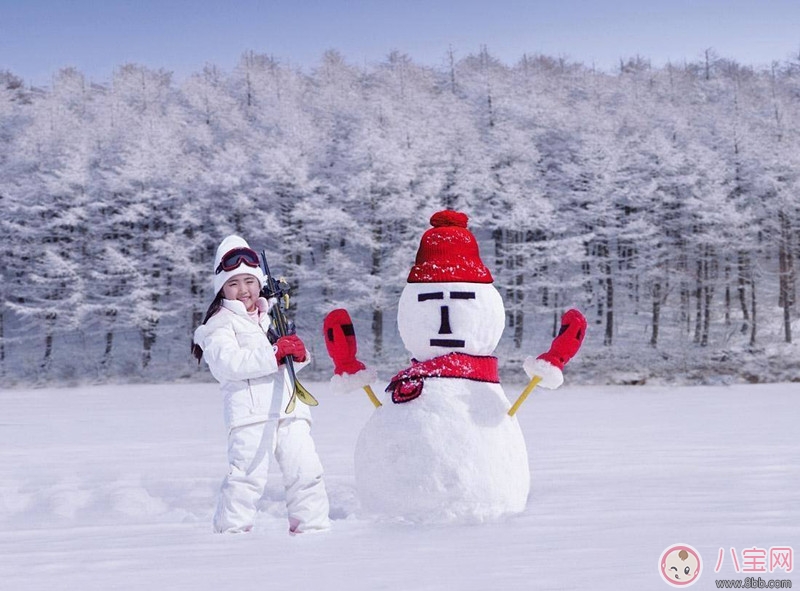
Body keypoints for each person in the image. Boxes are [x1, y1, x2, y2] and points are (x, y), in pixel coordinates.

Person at [192, 234, 331, 534]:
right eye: (234, 283)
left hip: (289, 408)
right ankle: (230, 541)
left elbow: (287, 361)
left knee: (307, 473)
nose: (243, 290)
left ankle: (315, 535)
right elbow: (229, 364)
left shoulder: (270, 317)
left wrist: (299, 353)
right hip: (251, 415)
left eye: (249, 281)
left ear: (260, 282)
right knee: (246, 480)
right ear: (222, 290)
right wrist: (275, 353)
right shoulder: (219, 325)